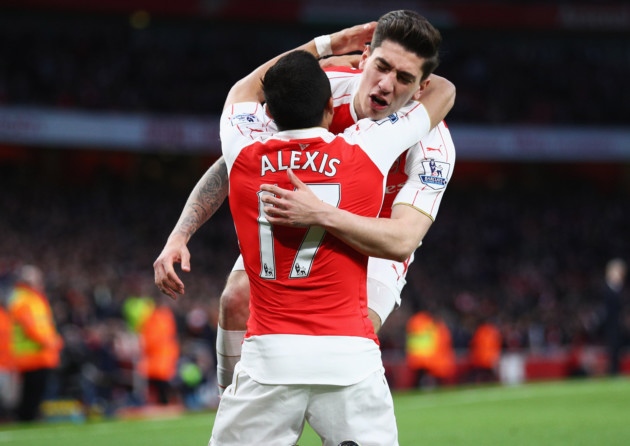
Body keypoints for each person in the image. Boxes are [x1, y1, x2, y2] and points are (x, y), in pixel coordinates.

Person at [153, 10, 456, 395]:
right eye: (381, 66)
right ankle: (231, 401)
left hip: (373, 233)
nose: (385, 84)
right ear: (364, 58)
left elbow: (401, 239)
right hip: (302, 215)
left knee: (353, 327)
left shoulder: (433, 146)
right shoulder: (326, 89)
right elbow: (239, 159)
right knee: (235, 299)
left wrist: (323, 213)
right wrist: (181, 233)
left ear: (421, 88)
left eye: (404, 78)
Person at [6, 264, 64, 422]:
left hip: (37, 356)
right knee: (29, 399)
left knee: (32, 397)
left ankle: (28, 417)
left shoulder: (31, 298)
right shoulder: (24, 299)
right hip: (30, 357)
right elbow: (31, 328)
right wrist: (52, 342)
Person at [601, 258, 627, 376]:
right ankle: (613, 372)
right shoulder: (607, 288)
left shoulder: (619, 288)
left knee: (617, 349)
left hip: (618, 324)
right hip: (610, 324)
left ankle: (615, 371)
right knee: (613, 349)